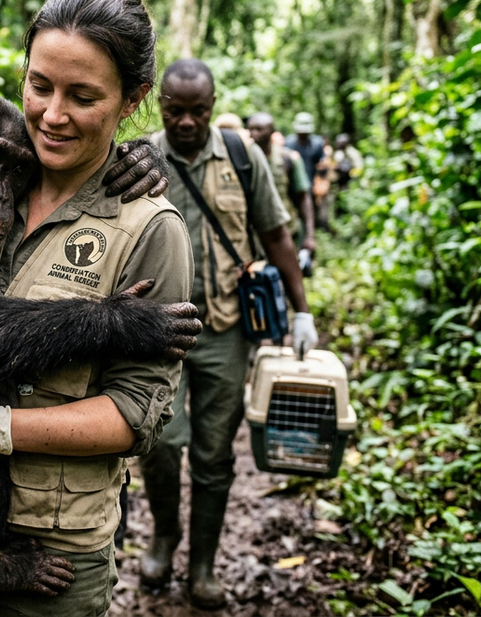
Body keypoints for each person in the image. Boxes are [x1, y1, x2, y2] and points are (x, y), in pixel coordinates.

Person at [0, 0, 196, 617]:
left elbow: (136, 414)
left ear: (132, 100)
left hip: (51, 548)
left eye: (83, 96)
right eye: (39, 86)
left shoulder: (150, 227)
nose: (53, 115)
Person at [137, 59, 318, 609]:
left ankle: (203, 564)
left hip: (225, 330)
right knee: (160, 442)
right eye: (175, 110)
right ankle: (164, 537)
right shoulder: (139, 158)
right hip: (157, 330)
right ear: (159, 104)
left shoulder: (244, 156)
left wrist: (301, 310)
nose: (187, 121)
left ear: (212, 107)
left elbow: (276, 233)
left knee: (215, 452)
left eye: (198, 111)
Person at [248, 112, 316, 260]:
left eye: (259, 129)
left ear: (271, 131)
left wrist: (310, 236)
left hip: (286, 232)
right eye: (251, 129)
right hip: (252, 238)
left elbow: (303, 197)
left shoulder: (288, 159)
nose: (253, 134)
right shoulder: (242, 161)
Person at [286, 113, 331, 232]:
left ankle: (310, 234)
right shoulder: (289, 143)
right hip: (292, 185)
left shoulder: (317, 143)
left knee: (310, 212)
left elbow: (322, 163)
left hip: (310, 183)